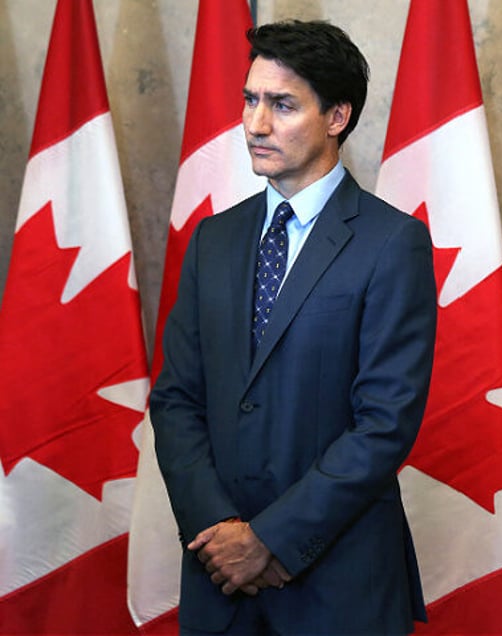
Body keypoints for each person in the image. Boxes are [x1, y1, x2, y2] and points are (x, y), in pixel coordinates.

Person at [150, 19, 437, 635]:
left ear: (337, 116)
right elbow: (175, 399)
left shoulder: (392, 244)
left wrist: (270, 541)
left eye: (282, 105)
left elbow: (384, 424)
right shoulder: (214, 239)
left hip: (337, 587)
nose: (255, 124)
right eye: (251, 100)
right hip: (219, 581)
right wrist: (221, 533)